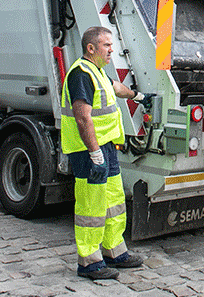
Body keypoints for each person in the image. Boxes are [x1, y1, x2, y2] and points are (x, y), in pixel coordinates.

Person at [60, 26, 152, 280]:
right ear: (91, 48)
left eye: (111, 45)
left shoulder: (97, 71)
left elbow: (115, 88)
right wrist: (95, 153)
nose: (112, 50)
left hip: (107, 147)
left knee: (113, 201)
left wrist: (139, 96)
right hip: (89, 151)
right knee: (91, 206)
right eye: (106, 46)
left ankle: (115, 251)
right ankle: (89, 262)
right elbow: (82, 117)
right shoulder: (80, 74)